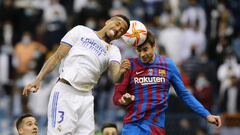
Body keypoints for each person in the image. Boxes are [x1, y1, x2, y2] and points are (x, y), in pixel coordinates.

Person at [23, 15, 131, 135]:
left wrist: (121, 72)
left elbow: (116, 77)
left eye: (122, 30)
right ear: (108, 22)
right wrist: (38, 79)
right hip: (65, 91)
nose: (118, 29)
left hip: (86, 98)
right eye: (117, 24)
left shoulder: (113, 50)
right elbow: (57, 56)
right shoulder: (80, 30)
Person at [113, 31, 222, 135]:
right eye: (139, 50)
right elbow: (116, 96)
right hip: (133, 126)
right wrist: (123, 100)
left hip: (155, 127)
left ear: (154, 45)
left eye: (145, 49)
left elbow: (184, 94)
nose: (142, 54)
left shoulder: (167, 65)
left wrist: (206, 114)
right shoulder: (129, 65)